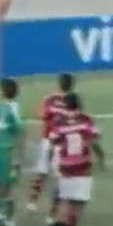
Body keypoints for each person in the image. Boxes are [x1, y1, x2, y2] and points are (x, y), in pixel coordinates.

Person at [45, 92, 105, 226]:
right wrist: (101, 158)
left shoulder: (58, 122)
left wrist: (50, 162)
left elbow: (53, 142)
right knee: (76, 211)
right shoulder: (86, 120)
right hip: (83, 169)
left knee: (65, 208)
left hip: (66, 169)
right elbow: (95, 138)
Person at [28, 73, 75, 215]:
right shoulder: (73, 101)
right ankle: (52, 213)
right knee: (60, 177)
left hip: (48, 139)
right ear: (71, 85)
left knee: (41, 172)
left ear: (59, 84)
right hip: (63, 143)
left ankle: (33, 202)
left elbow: (41, 114)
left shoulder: (50, 99)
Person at [0, 78, 25, 226]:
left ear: (4, 91)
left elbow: (20, 134)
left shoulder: (12, 109)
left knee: (5, 187)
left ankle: (6, 219)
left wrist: (17, 159)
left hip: (7, 153)